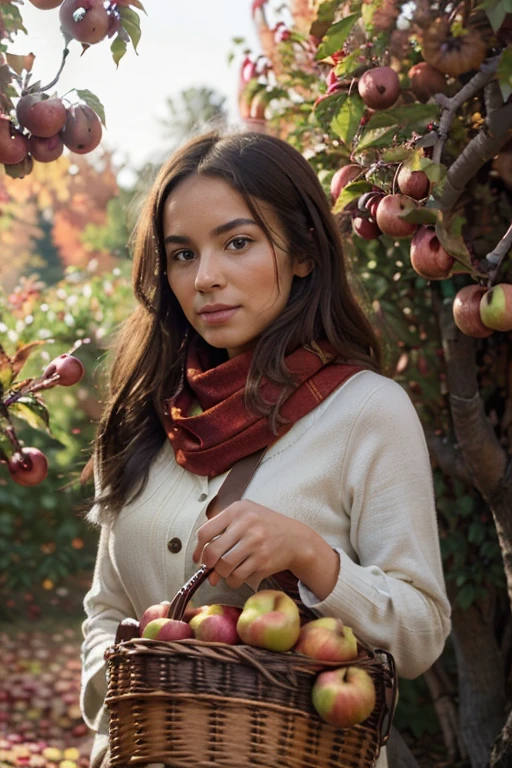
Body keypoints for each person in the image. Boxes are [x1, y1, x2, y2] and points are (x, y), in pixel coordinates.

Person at [80, 129, 451, 768]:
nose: (205, 278)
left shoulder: (366, 411)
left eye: (238, 243)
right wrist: (127, 701)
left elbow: (419, 631)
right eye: (182, 255)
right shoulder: (145, 417)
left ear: (303, 251)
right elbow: (105, 611)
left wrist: (311, 556)